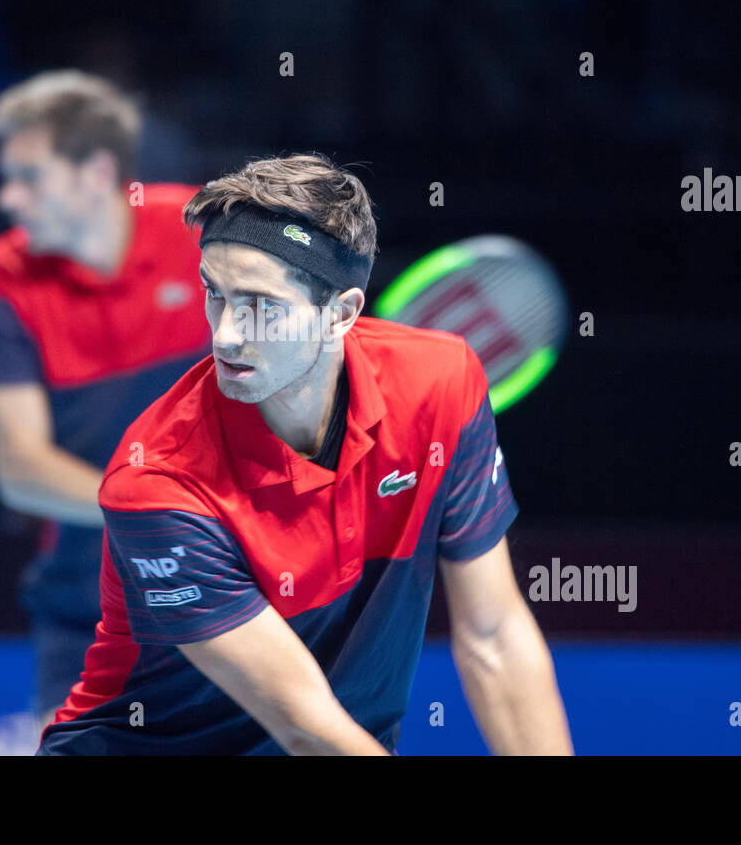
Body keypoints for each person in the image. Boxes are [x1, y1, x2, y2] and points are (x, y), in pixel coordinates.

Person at [38, 152, 573, 755]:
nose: (226, 334)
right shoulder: (158, 481)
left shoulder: (442, 385)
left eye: (263, 306)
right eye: (216, 294)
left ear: (340, 313)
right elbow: (305, 724)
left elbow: (495, 636)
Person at [0, 70, 210, 725]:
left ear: (97, 171)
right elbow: (19, 467)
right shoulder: (2, 275)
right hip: (87, 619)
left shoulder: (205, 236)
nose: (8, 197)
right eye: (4, 176)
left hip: (234, 601)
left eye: (29, 176)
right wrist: (168, 517)